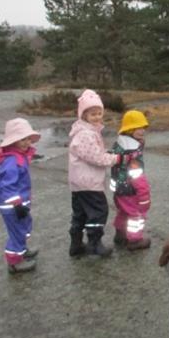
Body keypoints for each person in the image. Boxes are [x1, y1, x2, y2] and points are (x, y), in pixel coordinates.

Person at [68, 89, 123, 258]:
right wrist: (115, 159)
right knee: (98, 212)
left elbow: (92, 152)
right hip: (88, 183)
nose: (97, 117)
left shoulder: (86, 132)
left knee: (81, 213)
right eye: (93, 114)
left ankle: (76, 244)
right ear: (83, 115)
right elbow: (95, 157)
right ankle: (94, 244)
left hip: (79, 183)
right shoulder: (86, 134)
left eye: (99, 113)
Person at [0, 117, 41, 274]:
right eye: (21, 139)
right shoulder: (11, 161)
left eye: (28, 139)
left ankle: (21, 250)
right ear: (12, 142)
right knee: (17, 232)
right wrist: (17, 204)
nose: (26, 142)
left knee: (24, 226)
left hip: (19, 202)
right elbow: (7, 185)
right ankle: (14, 262)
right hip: (12, 205)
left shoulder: (20, 157)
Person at [109, 109, 151, 251]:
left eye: (143, 127)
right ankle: (135, 240)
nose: (142, 131)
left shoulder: (120, 145)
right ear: (129, 130)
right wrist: (144, 195)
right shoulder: (133, 152)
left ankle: (120, 235)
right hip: (130, 190)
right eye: (138, 128)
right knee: (136, 215)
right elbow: (137, 175)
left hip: (119, 190)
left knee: (123, 211)